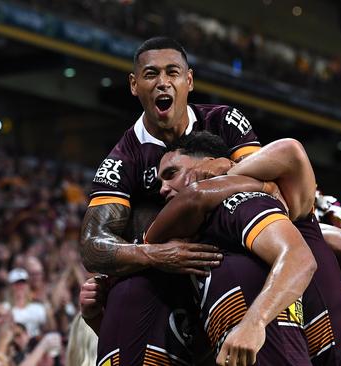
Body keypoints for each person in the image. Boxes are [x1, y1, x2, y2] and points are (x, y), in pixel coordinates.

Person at [143, 132, 341, 366]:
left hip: (314, 337)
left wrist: (232, 177)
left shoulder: (263, 203)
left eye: (171, 173)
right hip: (280, 342)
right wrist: (242, 184)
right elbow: (186, 205)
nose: (162, 189)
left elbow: (291, 151)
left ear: (210, 161)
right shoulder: (196, 225)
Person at [80, 36, 263, 364]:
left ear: (188, 80)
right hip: (171, 285)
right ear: (134, 85)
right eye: (151, 75)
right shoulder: (124, 159)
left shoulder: (224, 122)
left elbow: (268, 184)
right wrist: (156, 254)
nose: (163, 82)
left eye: (172, 73)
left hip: (239, 253)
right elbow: (92, 245)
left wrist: (211, 183)